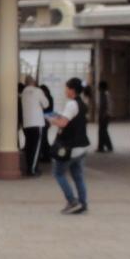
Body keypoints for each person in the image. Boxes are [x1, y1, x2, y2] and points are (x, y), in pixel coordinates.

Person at [49, 77, 91, 215]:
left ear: (72, 90)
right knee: (78, 175)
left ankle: (72, 201)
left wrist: (51, 119)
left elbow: (63, 123)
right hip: (82, 146)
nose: (65, 90)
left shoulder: (72, 104)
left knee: (58, 173)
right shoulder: (82, 103)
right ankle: (83, 203)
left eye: (66, 88)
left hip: (70, 147)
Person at [20, 75, 49, 176]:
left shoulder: (23, 93)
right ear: (34, 82)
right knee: (36, 147)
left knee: (29, 146)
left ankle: (29, 166)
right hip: (37, 123)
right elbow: (46, 104)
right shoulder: (38, 91)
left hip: (26, 123)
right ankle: (32, 170)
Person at [96, 80, 114, 153]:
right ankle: (105, 146)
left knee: (102, 132)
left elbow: (106, 106)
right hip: (104, 115)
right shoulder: (104, 94)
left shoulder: (105, 94)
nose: (98, 88)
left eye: (99, 87)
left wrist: (104, 115)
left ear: (102, 87)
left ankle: (103, 147)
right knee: (103, 131)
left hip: (105, 116)